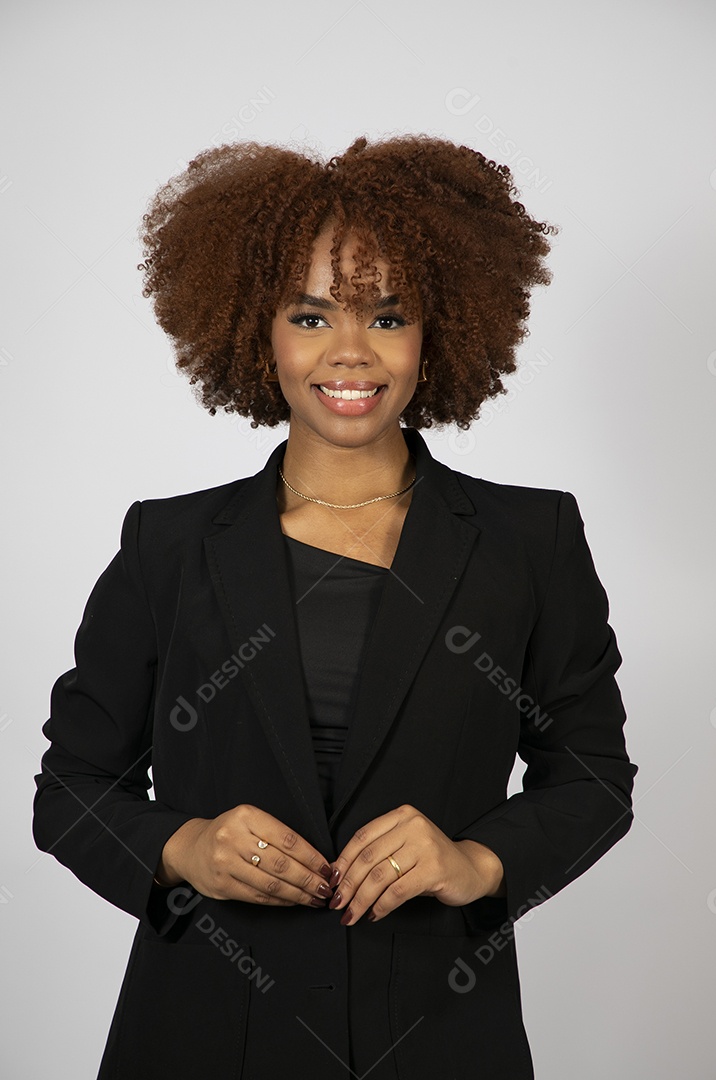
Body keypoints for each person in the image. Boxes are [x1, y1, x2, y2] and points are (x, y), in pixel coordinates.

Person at [32, 134, 637, 1080]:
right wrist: (182, 846)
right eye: (310, 317)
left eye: (387, 315)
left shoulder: (531, 541)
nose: (351, 352)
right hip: (199, 1037)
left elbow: (594, 776)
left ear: (438, 330)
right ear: (253, 330)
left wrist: (477, 863)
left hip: (440, 1038)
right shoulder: (171, 546)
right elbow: (69, 789)